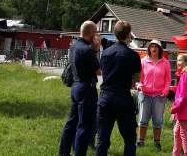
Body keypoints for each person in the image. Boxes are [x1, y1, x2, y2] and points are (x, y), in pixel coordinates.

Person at [96, 21, 142, 156]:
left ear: (115, 34)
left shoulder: (106, 53)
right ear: (128, 35)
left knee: (102, 139)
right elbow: (137, 79)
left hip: (105, 98)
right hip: (123, 98)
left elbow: (103, 72)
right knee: (129, 138)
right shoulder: (133, 55)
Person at [59, 21, 101, 156]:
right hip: (87, 89)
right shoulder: (88, 50)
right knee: (85, 125)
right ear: (92, 33)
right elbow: (98, 70)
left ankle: (64, 152)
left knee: (71, 122)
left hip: (76, 86)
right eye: (96, 32)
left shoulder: (74, 46)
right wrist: (96, 49)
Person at [135, 39, 171, 150]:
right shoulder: (143, 61)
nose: (154, 48)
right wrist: (139, 85)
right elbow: (138, 78)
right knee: (142, 119)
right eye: (152, 46)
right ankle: (140, 141)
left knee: (158, 121)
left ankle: (157, 142)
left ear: (160, 49)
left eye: (156, 46)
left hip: (159, 96)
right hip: (145, 95)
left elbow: (168, 80)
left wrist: (165, 91)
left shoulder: (165, 62)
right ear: (149, 48)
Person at [171, 54, 187, 156]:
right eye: (177, 60)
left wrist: (175, 107)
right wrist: (173, 88)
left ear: (186, 62)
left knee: (183, 134)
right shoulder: (186, 74)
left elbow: (185, 95)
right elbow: (183, 91)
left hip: (183, 109)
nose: (178, 63)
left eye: (180, 60)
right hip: (183, 109)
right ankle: (175, 153)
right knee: (177, 132)